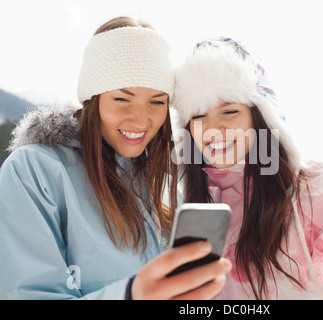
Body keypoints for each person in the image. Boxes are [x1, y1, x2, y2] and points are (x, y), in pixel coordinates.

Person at [0, 17, 231, 300]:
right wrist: (130, 295)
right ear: (92, 98)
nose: (140, 120)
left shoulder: (166, 188)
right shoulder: (35, 172)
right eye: (122, 99)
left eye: (157, 102)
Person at [171, 37, 323, 300]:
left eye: (229, 111)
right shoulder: (187, 211)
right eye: (198, 115)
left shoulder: (317, 191)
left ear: (260, 118)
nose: (213, 129)